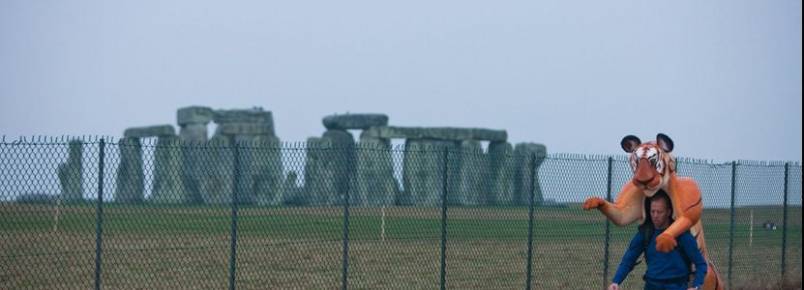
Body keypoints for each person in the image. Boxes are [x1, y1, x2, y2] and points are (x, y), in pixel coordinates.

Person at [609, 191, 708, 290]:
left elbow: (701, 264)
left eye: (659, 212)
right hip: (651, 285)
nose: (655, 215)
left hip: (677, 285)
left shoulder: (681, 234)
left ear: (668, 212)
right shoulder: (646, 233)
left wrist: (696, 286)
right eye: (653, 211)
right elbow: (628, 260)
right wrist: (616, 281)